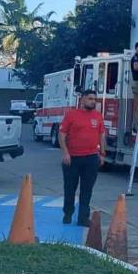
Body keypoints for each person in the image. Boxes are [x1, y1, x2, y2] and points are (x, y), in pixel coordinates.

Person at [59, 89, 106, 226]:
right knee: (69, 188)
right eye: (90, 99)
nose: (93, 102)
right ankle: (68, 214)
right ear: (83, 99)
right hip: (72, 158)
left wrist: (102, 154)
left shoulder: (97, 116)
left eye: (94, 99)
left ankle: (83, 218)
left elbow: (101, 135)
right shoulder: (71, 115)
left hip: (91, 158)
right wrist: (65, 153)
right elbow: (62, 135)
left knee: (87, 190)